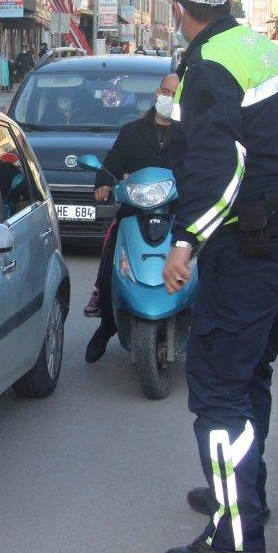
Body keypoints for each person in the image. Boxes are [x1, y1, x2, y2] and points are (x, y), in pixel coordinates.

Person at [158, 0, 278, 553]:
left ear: (179, 7)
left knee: (218, 390)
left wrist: (184, 242)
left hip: (248, 245)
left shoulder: (210, 64)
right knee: (249, 377)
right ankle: (246, 497)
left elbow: (218, 169)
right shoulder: (256, 45)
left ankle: (236, 538)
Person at [84, 73, 182, 362]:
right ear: (157, 93)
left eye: (175, 95)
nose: (168, 98)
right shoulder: (132, 132)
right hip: (135, 213)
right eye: (166, 91)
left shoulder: (190, 134)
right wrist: (102, 183)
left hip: (178, 214)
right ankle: (105, 318)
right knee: (112, 246)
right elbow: (111, 167)